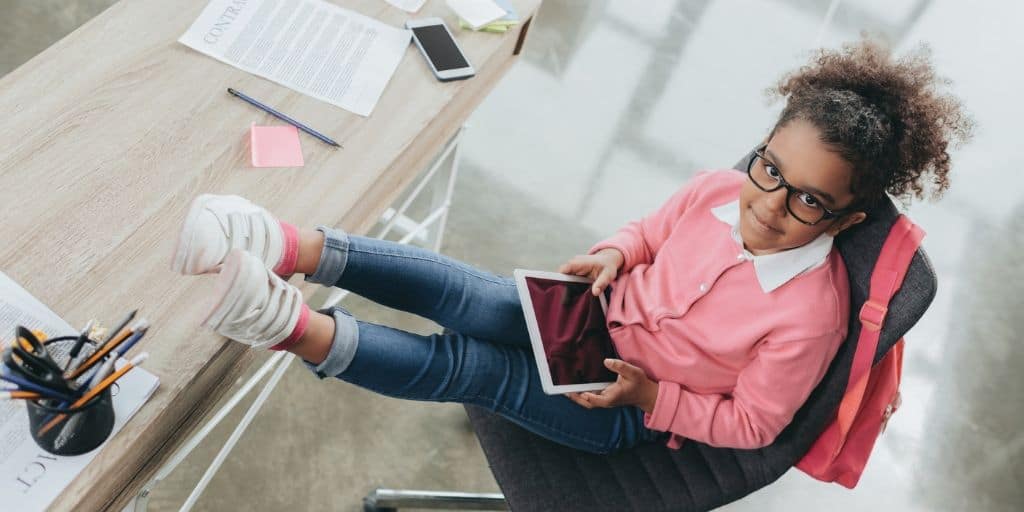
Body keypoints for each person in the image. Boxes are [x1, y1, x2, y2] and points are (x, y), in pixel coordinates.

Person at [171, 38, 971, 454]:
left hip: (624, 410)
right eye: (768, 168)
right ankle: (280, 241)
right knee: (471, 296)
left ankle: (279, 324)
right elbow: (649, 233)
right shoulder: (719, 191)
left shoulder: (811, 317)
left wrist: (651, 399)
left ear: (845, 220)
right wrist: (618, 255)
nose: (768, 204)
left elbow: (755, 426)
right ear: (759, 148)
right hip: (588, 317)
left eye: (807, 203)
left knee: (470, 367)